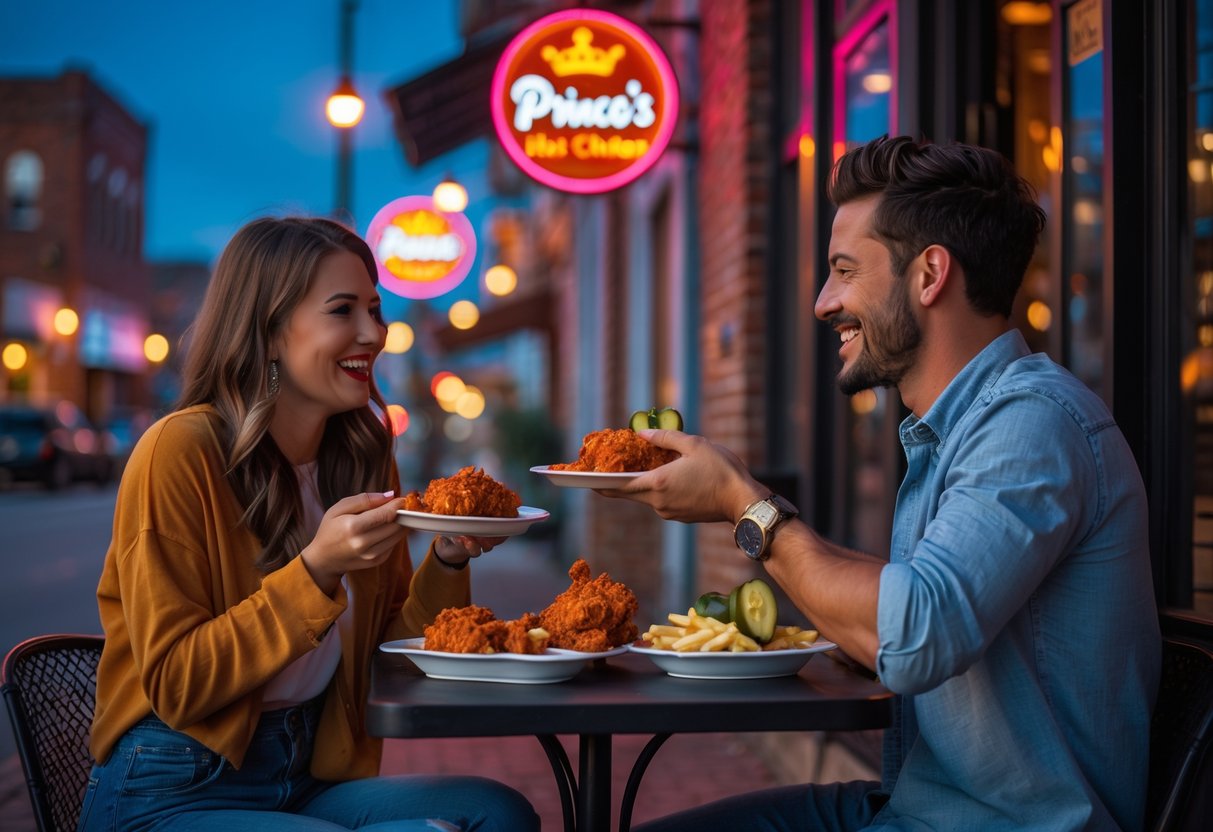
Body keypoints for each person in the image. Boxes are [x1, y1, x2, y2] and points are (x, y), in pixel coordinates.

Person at [609, 136, 1160, 831]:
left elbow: (913, 632)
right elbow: (909, 610)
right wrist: (753, 507)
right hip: (920, 805)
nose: (821, 303)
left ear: (929, 275)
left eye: (843, 270)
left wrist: (742, 507)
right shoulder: (954, 429)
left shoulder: (1031, 425)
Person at [80, 217, 539, 831]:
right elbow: (179, 683)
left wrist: (449, 558)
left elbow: (393, 651)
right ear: (270, 331)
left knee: (498, 815)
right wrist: (317, 569)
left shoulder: (360, 454)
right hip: (173, 782)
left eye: (374, 310)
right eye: (342, 311)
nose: (373, 333)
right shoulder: (180, 451)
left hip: (304, 776)